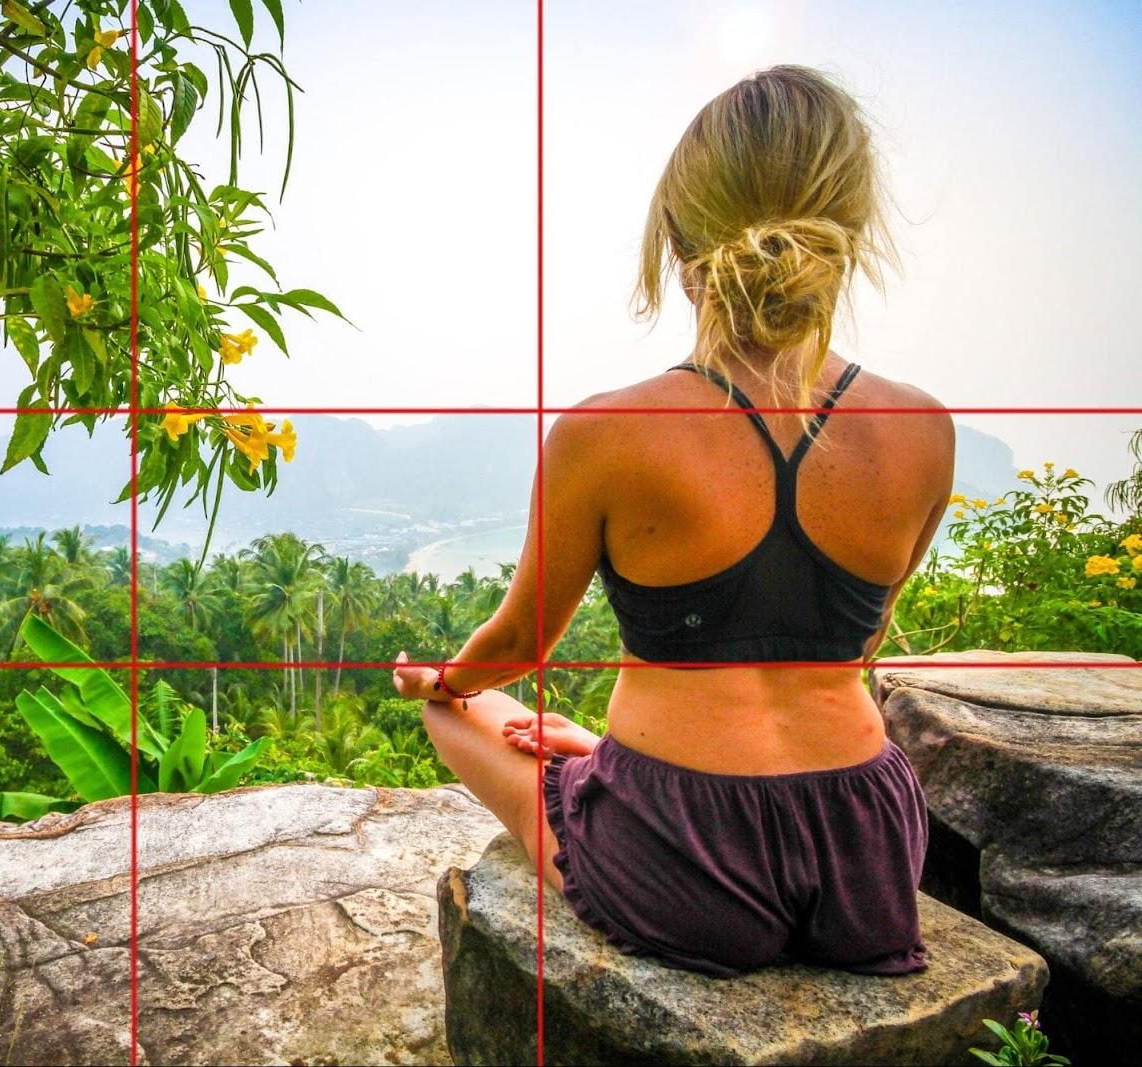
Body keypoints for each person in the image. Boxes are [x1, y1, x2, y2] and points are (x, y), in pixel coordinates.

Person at [392, 65, 954, 978]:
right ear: (846, 235)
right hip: (867, 849)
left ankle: (575, 770)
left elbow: (520, 645)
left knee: (461, 710)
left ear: (681, 247)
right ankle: (600, 762)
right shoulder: (924, 429)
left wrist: (439, 678)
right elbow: (851, 648)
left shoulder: (608, 431)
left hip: (681, 848)